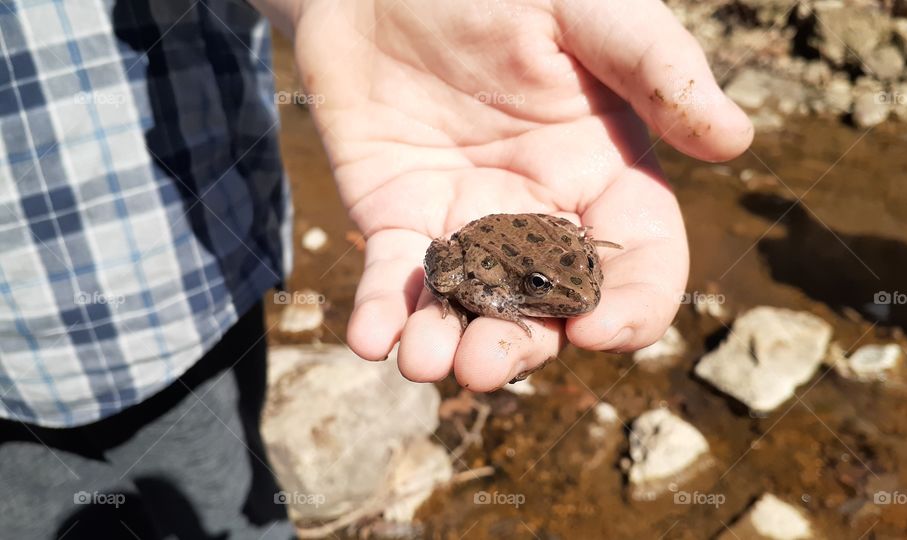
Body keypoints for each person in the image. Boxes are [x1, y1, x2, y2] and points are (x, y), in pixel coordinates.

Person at [0, 0, 752, 537]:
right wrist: (487, 302)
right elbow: (455, 270)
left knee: (229, 489)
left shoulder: (565, 258)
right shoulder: (493, 276)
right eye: (553, 291)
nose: (577, 297)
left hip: (209, 290)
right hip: (28, 359)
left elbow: (567, 244)